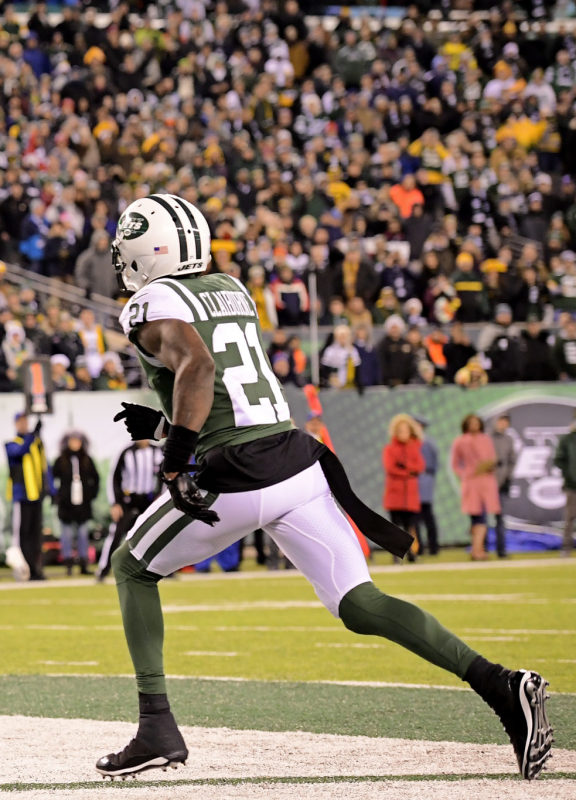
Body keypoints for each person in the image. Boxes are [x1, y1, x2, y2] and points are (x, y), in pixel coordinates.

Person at [98, 193, 551, 781]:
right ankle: (502, 685)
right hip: (293, 459)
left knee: (133, 567)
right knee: (362, 604)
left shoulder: (147, 302)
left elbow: (200, 368)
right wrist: (165, 427)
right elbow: (232, 396)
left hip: (236, 473)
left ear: (143, 251)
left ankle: (156, 726)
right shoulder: (232, 288)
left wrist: (177, 456)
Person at [97, 437, 163, 582]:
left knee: (156, 534)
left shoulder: (158, 452)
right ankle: (103, 569)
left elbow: (164, 477)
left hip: (149, 500)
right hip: (128, 500)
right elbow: (114, 479)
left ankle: (162, 570)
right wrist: (115, 503)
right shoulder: (125, 453)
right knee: (116, 534)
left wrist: (162, 497)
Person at [5, 411, 52, 581]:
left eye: (26, 421)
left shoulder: (36, 442)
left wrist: (51, 490)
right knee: (22, 535)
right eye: (21, 422)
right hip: (21, 497)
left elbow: (45, 467)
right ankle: (23, 570)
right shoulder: (11, 443)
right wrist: (33, 435)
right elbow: (20, 452)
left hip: (36, 496)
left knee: (35, 535)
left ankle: (36, 569)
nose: (24, 425)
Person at [451, 414, 501, 561]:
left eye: (476, 422)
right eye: (471, 423)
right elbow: (455, 464)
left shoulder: (485, 439)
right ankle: (476, 550)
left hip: (485, 482)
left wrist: (489, 466)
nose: (474, 425)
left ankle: (478, 549)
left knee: (483, 517)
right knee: (477, 517)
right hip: (471, 483)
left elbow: (492, 459)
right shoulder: (460, 441)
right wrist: (465, 474)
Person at [52, 431, 99, 576]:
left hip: (82, 505)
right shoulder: (61, 460)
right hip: (66, 505)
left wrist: (91, 495)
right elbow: (52, 479)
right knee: (66, 534)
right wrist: (58, 497)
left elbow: (96, 479)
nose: (75, 444)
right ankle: (68, 563)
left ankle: (83, 563)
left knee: (82, 533)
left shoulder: (87, 460)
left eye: (77, 441)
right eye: (72, 441)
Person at [383, 414, 424, 561]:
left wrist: (405, 467)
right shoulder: (390, 449)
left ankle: (412, 553)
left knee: (410, 527)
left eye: (405, 431)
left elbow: (419, 466)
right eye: (400, 431)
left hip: (410, 495)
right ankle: (396, 554)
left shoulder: (415, 448)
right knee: (396, 527)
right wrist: (409, 472)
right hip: (395, 494)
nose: (403, 434)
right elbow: (391, 468)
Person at [490, 414, 517, 559]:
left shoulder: (509, 440)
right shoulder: (487, 438)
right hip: (486, 484)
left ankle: (501, 550)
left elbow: (512, 461)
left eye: (505, 421)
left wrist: (507, 476)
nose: (502, 424)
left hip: (502, 484)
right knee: (481, 519)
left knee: (500, 517)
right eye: (500, 420)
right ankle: (480, 549)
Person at [415, 416, 441, 556]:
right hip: (413, 485)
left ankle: (433, 547)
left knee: (428, 517)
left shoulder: (428, 443)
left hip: (425, 484)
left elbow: (435, 464)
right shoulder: (411, 443)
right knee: (415, 520)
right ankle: (418, 547)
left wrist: (428, 476)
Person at [553, 413, 576, 557]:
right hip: (572, 485)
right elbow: (558, 459)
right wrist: (569, 475)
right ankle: (566, 547)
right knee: (570, 517)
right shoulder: (567, 439)